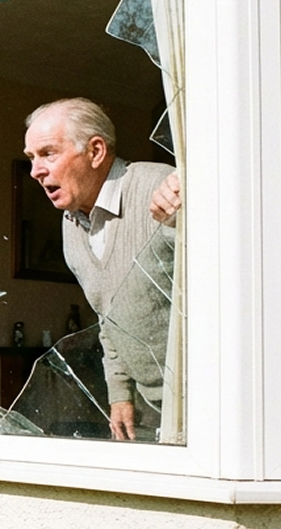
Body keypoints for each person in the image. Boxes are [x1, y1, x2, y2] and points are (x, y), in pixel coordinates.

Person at [23, 97, 182, 441]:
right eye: (32, 158)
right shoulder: (71, 223)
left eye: (48, 153)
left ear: (95, 151)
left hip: (214, 402)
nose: (36, 170)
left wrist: (194, 204)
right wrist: (120, 394)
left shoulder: (164, 188)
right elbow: (107, 315)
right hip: (151, 410)